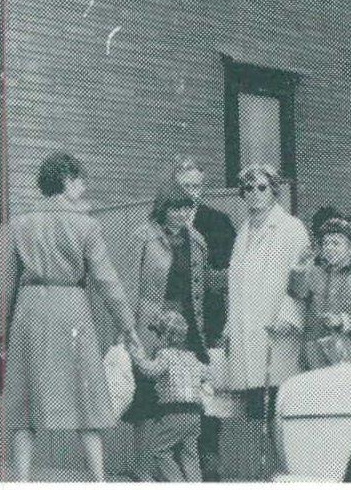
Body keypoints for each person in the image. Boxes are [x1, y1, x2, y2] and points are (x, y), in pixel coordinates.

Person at [1, 152, 138, 481]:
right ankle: (99, 480)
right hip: (71, 310)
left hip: (30, 310)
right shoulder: (86, 225)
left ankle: (20, 482)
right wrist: (127, 325)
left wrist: (4, 332)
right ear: (66, 180)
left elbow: (5, 286)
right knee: (85, 398)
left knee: (24, 405)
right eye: (79, 180)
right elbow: (106, 280)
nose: (83, 187)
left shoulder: (20, 223)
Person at [223, 164, 309, 479]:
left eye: (262, 187)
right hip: (247, 333)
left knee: (278, 406)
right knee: (254, 408)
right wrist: (229, 327)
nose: (255, 194)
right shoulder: (242, 232)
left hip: (277, 331)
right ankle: (262, 475)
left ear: (274, 190)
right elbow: (236, 287)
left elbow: (301, 276)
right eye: (248, 188)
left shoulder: (291, 228)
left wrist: (289, 315)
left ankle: (287, 473)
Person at [127, 183, 214, 480]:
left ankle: (181, 476)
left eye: (186, 208)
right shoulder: (143, 236)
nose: (181, 214)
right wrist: (128, 327)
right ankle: (143, 468)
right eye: (174, 208)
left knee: (182, 395)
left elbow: (202, 286)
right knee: (146, 396)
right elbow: (130, 285)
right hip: (151, 322)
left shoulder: (197, 240)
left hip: (185, 324)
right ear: (162, 209)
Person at [172, 157, 232, 481]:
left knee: (208, 397)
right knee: (175, 395)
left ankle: (209, 469)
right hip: (174, 325)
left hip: (209, 322)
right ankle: (177, 469)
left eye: (196, 186)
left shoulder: (218, 222)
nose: (191, 193)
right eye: (185, 186)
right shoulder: (163, 223)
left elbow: (229, 275)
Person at [288, 212, 351, 370]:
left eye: (335, 243)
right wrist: (300, 266)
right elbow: (296, 293)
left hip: (348, 355)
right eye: (325, 243)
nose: (329, 248)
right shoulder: (315, 272)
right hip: (314, 353)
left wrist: (344, 321)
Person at [127, 310, 210, 481]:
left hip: (174, 412)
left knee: (159, 450)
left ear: (165, 337)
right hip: (194, 414)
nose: (155, 339)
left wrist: (137, 355)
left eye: (157, 334)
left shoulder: (165, 356)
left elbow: (150, 371)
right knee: (190, 454)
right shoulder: (192, 358)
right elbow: (207, 374)